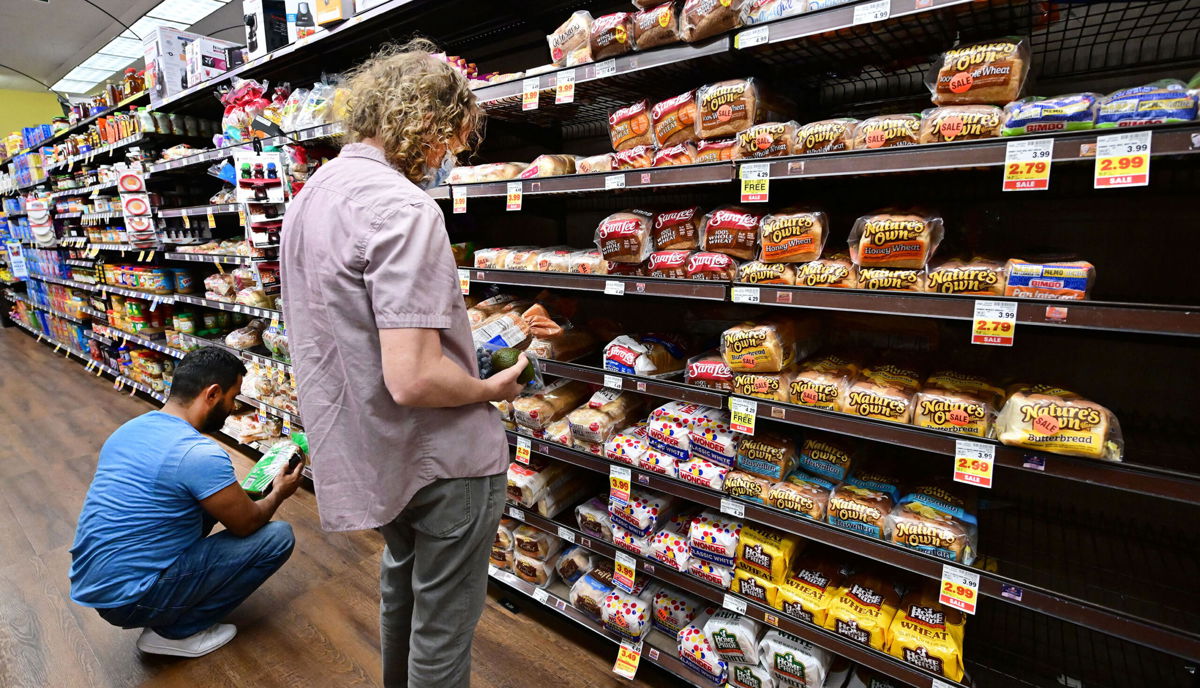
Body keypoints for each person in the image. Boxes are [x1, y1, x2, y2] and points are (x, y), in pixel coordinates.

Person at [280, 39, 526, 688]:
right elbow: (415, 376)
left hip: (373, 452)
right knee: (442, 640)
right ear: (424, 123)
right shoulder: (402, 206)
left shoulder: (311, 196)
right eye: (451, 141)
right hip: (444, 461)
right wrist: (489, 384)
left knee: (403, 589)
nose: (446, 157)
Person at [69, 346, 303, 658]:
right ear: (213, 393)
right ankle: (177, 633)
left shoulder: (131, 429)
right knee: (276, 537)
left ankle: (167, 607)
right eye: (233, 398)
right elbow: (247, 524)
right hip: (128, 599)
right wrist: (279, 493)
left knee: (205, 505)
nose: (233, 408)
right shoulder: (198, 454)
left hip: (99, 582)